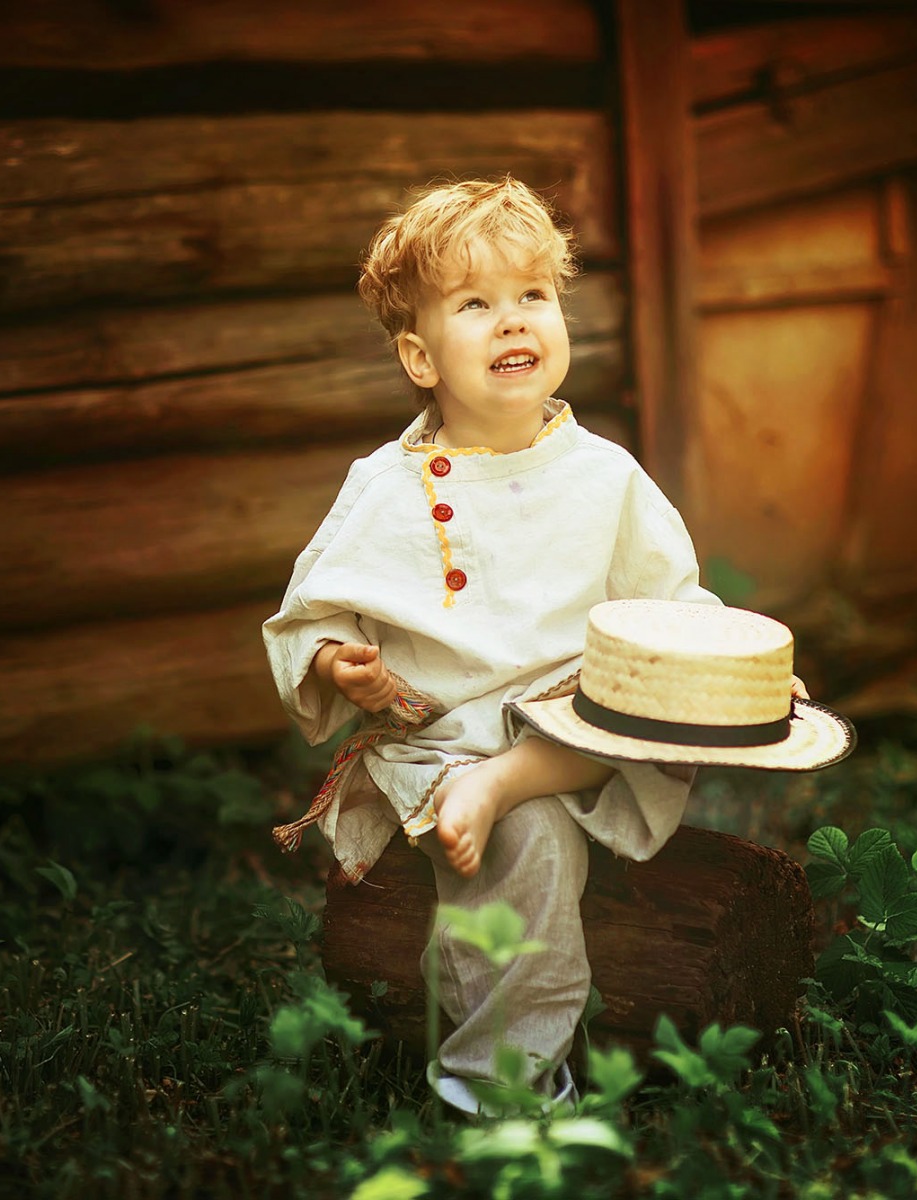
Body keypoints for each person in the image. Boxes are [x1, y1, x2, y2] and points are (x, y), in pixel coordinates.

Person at [261, 176, 726, 1113]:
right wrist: (331, 659)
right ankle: (500, 1090)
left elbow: (674, 602)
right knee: (533, 845)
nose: (512, 322)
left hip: (578, 725)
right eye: (475, 305)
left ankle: (512, 781)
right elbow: (310, 611)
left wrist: (733, 661)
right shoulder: (387, 486)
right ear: (419, 355)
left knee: (629, 712)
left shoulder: (607, 477)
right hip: (447, 740)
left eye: (532, 297)